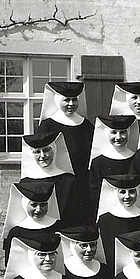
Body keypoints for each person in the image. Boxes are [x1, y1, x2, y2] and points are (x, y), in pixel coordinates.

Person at [38, 81, 94, 223]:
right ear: (58, 100)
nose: (71, 104)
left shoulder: (86, 125)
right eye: (66, 100)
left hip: (82, 183)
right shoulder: (48, 125)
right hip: (58, 183)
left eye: (74, 100)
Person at [95, 174, 140, 273]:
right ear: (115, 193)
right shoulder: (105, 220)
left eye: (131, 191)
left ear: (138, 192)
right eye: (122, 192)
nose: (127, 196)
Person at [20, 132, 79, 226]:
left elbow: (75, 213)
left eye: (46, 150)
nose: (42, 156)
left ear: (54, 151)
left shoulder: (68, 180)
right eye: (37, 152)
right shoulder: (26, 182)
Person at [88, 115, 139, 219]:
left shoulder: (136, 159)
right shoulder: (98, 162)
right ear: (106, 133)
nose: (118, 137)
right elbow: (94, 192)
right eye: (114, 132)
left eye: (123, 132)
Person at [2, 180, 61, 264]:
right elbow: (10, 261)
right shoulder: (16, 231)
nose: (38, 210)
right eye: (34, 205)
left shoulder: (58, 226)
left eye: (43, 205)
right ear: (25, 204)